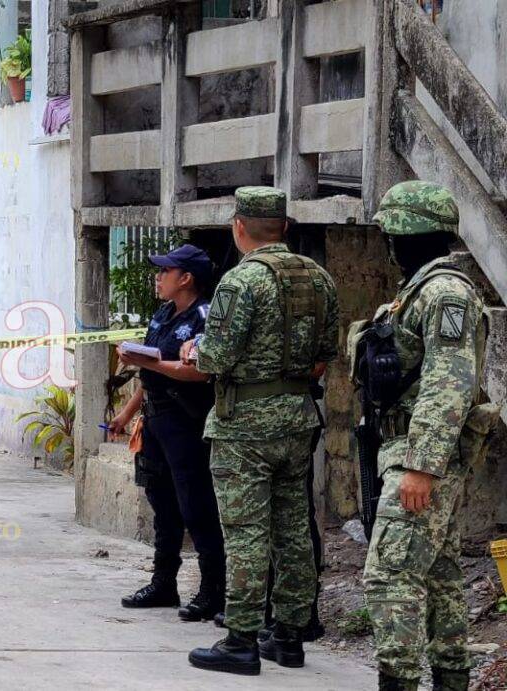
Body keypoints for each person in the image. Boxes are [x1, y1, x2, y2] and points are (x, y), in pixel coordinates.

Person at [181, 186, 338, 676]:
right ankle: (290, 635)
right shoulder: (320, 278)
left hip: (245, 426)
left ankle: (241, 638)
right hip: (297, 419)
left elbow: (217, 357)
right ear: (284, 228)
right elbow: (324, 355)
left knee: (246, 532)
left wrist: (194, 352)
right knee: (293, 529)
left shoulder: (240, 282)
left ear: (239, 227)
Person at [356, 182, 487, 691]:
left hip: (421, 457)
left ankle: (401, 681)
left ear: (408, 234)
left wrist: (420, 466)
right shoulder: (422, 290)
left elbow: (447, 384)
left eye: (391, 232)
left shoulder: (445, 293)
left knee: (390, 576)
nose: (387, 242)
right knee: (438, 575)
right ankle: (451, 679)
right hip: (408, 448)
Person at [110, 244, 225, 623]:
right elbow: (151, 368)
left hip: (186, 420)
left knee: (197, 505)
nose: (158, 278)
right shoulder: (163, 314)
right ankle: (164, 583)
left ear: (186, 278)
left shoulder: (205, 318)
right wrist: (126, 413)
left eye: (165, 272)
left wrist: (149, 364)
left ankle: (213, 591)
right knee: (162, 504)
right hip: (157, 418)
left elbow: (200, 371)